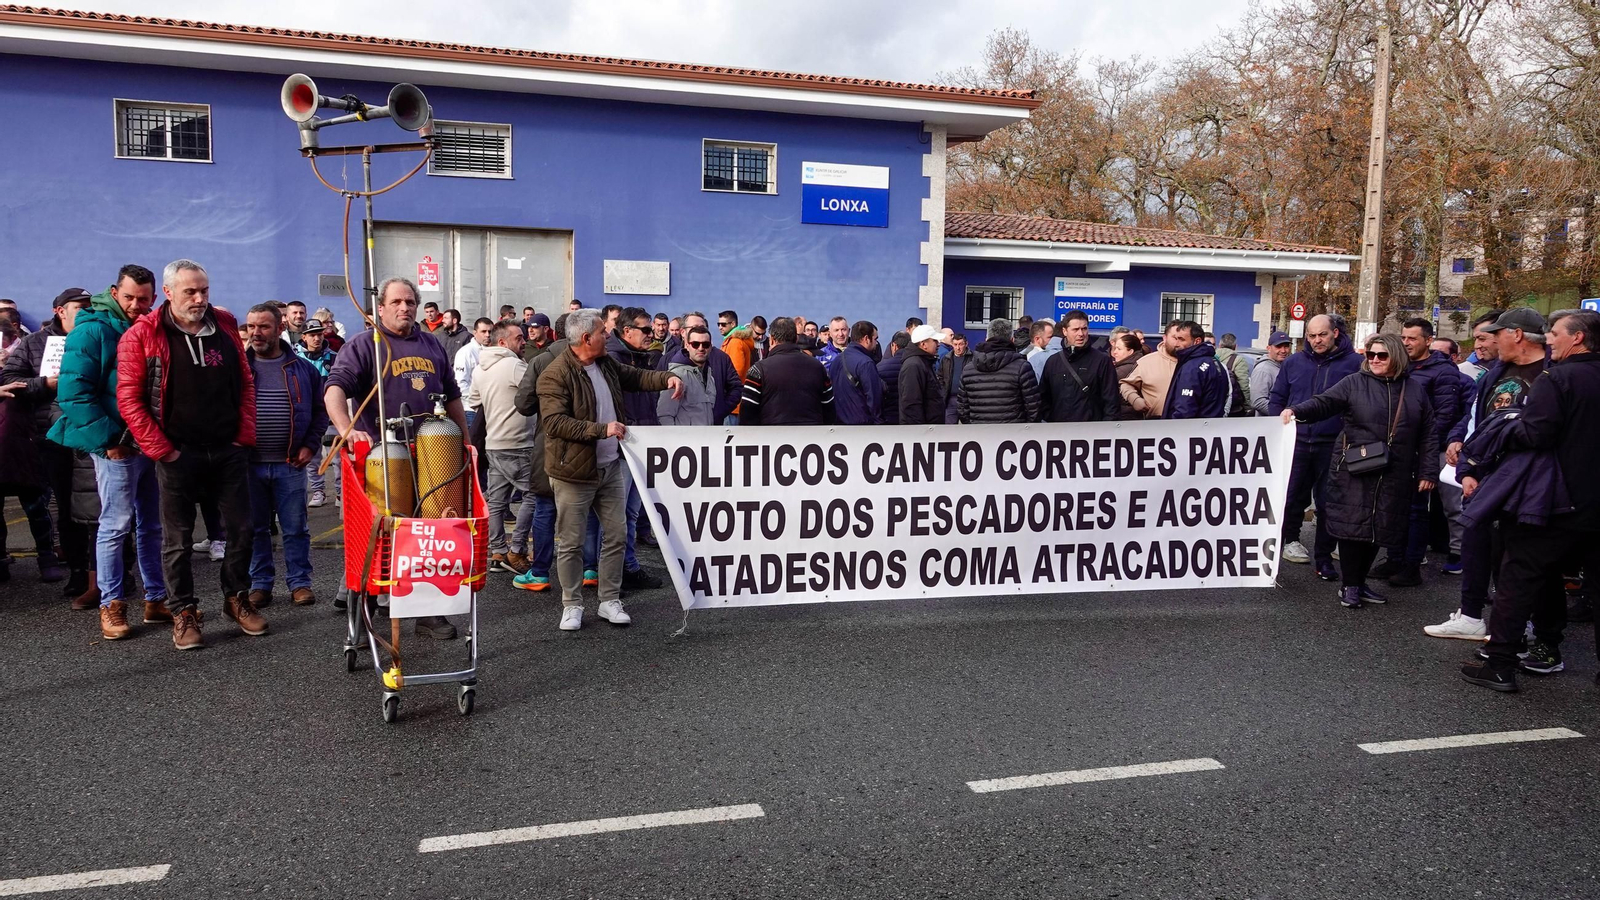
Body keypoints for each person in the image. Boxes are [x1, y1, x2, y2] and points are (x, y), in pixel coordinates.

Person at [117, 259, 263, 650]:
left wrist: (242, 436)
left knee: (241, 530)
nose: (200, 299)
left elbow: (246, 383)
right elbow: (130, 402)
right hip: (177, 454)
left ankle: (236, 599)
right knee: (178, 540)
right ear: (168, 293)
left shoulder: (226, 324)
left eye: (204, 291)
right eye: (190, 292)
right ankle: (184, 611)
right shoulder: (142, 335)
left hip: (228, 448)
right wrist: (164, 450)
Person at [1460, 309, 1600, 692]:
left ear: (1578, 339)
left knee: (1517, 577)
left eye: (1555, 333)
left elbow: (1536, 434)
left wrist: (1507, 427)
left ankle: (1501, 664)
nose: (1549, 338)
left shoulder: (1558, 378)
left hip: (1555, 499)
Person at [325, 276, 467, 640]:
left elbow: (451, 396)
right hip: (383, 459)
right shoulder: (365, 345)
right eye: (397, 302)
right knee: (381, 535)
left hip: (435, 455)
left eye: (410, 302)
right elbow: (335, 389)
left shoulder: (432, 344)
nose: (405, 308)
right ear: (381, 307)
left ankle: (429, 611)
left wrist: (465, 442)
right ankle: (365, 612)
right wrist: (345, 429)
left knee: (430, 535)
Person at [538, 308, 681, 630]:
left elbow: (637, 377)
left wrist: (667, 378)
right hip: (573, 473)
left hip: (611, 467)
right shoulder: (555, 374)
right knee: (572, 542)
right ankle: (572, 604)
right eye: (604, 331)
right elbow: (554, 422)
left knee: (616, 536)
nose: (608, 334)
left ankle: (609, 600)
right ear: (586, 338)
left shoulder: (606, 364)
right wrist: (600, 430)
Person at [49, 266, 169, 633]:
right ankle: (111, 604)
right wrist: (109, 442)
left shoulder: (150, 327)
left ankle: (155, 600)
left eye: (145, 299)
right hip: (117, 445)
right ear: (115, 292)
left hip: (149, 441)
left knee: (152, 525)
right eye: (130, 297)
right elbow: (74, 392)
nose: (136, 305)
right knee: (115, 525)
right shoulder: (91, 330)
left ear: (155, 298)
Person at [1281, 332, 1438, 609]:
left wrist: (1428, 472)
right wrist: (1295, 411)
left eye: (1382, 355)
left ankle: (1360, 582)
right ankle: (1350, 585)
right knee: (1353, 528)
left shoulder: (1414, 390)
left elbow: (1428, 434)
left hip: (1395, 471)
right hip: (1356, 467)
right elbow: (1324, 403)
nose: (1375, 360)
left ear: (1396, 357)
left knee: (1380, 529)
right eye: (1371, 354)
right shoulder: (1354, 383)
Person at [1426, 308, 1545, 639]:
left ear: (1515, 334)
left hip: (1526, 479)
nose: (1481, 343)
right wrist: (1462, 455)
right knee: (1476, 543)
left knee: (1515, 554)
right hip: (1482, 475)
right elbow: (1476, 419)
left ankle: (1521, 623)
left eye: (1488, 336)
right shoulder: (1494, 374)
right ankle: (1471, 614)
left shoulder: (1551, 374)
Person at [2, 288, 95, 589]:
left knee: (100, 507)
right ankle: (78, 572)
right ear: (60, 311)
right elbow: (8, 381)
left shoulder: (99, 336)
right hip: (50, 438)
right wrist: (45, 383)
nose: (86, 311)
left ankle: (115, 573)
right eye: (79, 307)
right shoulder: (33, 343)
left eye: (90, 306)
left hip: (94, 434)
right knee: (65, 506)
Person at [1365, 318, 1464, 587]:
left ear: (1428, 341)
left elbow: (1443, 416)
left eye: (1413, 338)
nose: (1406, 342)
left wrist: (1423, 450)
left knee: (1417, 510)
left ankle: (1411, 565)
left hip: (1421, 450)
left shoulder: (1443, 372)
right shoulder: (1401, 366)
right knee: (1394, 508)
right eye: (1404, 337)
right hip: (1394, 451)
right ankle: (1394, 558)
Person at [243, 303, 327, 608]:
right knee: (256, 528)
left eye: (263, 327)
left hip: (290, 463)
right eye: (251, 326)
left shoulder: (302, 369)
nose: (255, 333)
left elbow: (320, 411)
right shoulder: (239, 367)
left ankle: (299, 583)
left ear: (280, 328)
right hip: (249, 465)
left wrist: (310, 445)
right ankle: (260, 583)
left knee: (295, 528)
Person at [1268, 313, 1360, 579]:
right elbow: (1278, 398)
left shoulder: (1355, 363)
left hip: (1333, 444)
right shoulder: (1294, 362)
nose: (1317, 340)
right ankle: (1289, 541)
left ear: (1335, 334)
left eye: (1322, 335)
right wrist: (1279, 428)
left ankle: (1324, 556)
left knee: (1327, 502)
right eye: (1312, 335)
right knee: (1290, 495)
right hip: (1295, 441)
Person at [466, 321, 537, 576]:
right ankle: (516, 549)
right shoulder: (514, 365)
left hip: (493, 443)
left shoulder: (481, 368)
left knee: (496, 501)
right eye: (519, 338)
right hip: (518, 443)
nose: (524, 342)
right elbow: (537, 392)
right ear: (503, 343)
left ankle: (497, 551)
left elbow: (474, 401)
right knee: (535, 495)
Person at [607, 307, 665, 589]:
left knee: (629, 512)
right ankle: (619, 572)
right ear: (627, 331)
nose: (650, 335)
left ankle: (626, 568)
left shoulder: (640, 356)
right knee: (620, 515)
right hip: (623, 445)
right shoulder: (614, 359)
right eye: (645, 329)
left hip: (639, 439)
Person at [739, 317, 836, 425]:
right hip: (811, 436)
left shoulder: (758, 370)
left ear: (771, 339)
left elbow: (747, 413)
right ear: (796, 339)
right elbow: (829, 408)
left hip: (771, 436)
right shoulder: (818, 368)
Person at [1040, 309, 1119, 422]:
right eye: (1076, 329)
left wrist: (1105, 430)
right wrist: (1053, 419)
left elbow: (1112, 402)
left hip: (1093, 432)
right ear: (1065, 331)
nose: (1081, 334)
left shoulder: (1102, 361)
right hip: (1060, 431)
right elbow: (1044, 398)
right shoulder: (1053, 362)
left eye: (1084, 329)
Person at [959, 318, 1040, 424]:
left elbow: (963, 410)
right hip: (1015, 435)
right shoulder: (1022, 367)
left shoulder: (968, 369)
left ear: (986, 338)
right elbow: (1034, 408)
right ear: (1012, 340)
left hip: (979, 434)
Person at [294, 319, 339, 507]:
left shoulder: (334, 357)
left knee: (337, 458)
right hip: (308, 416)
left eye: (319, 334)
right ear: (304, 336)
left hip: (332, 416)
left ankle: (340, 493)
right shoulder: (295, 358)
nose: (317, 338)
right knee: (312, 457)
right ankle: (319, 491)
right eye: (312, 334)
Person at [1165, 321, 1231, 419]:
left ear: (1197, 341)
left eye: (1181, 339)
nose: (1176, 344)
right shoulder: (1216, 363)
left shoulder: (1191, 367)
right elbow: (1227, 398)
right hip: (1214, 428)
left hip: (1191, 430)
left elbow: (1185, 409)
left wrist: (1174, 429)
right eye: (1176, 339)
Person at [1119, 322, 1184, 418]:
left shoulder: (1194, 363)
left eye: (1182, 339)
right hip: (1155, 423)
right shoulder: (1146, 362)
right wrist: (1135, 399)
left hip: (1188, 424)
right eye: (1175, 338)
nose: (1178, 343)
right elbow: (1125, 384)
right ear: (1165, 338)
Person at [658, 324, 719, 426]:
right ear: (687, 345)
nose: (701, 348)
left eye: (705, 344)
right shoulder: (677, 376)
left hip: (706, 439)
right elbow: (664, 415)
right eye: (695, 344)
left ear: (710, 347)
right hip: (682, 440)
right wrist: (674, 440)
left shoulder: (709, 377)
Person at [897, 324, 947, 425]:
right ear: (923, 344)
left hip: (929, 431)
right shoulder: (914, 366)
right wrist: (919, 435)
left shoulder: (923, 362)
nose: (938, 344)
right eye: (935, 341)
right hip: (922, 434)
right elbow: (911, 404)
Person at [1250, 331, 1292, 416]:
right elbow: (1257, 401)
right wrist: (1280, 414)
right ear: (1268, 348)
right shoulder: (1262, 370)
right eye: (1278, 347)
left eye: (1286, 346)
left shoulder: (1285, 366)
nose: (1283, 350)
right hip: (1269, 425)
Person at [453, 317, 494, 398]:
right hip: (471, 406)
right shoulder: (465, 352)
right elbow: (460, 383)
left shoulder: (494, 351)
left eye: (490, 331)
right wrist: (476, 400)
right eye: (483, 331)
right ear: (475, 333)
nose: (488, 335)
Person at [1108, 332, 1145, 420]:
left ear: (1130, 351)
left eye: (1119, 349)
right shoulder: (1141, 363)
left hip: (1124, 416)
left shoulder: (1122, 371)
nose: (1115, 352)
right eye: (1115, 348)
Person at [876, 331, 910, 424]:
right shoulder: (917, 365)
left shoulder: (880, 367)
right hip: (910, 420)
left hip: (888, 418)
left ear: (894, 346)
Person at [1214, 332, 1252, 414]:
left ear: (1219, 345)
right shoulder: (1239, 360)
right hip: (1232, 407)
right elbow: (1243, 385)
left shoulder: (1211, 357)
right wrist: (1247, 406)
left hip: (1213, 404)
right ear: (1235, 347)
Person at [939, 332, 969, 424]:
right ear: (952, 344)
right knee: (949, 429)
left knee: (970, 428)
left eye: (960, 344)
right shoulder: (946, 359)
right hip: (950, 399)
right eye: (955, 344)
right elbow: (940, 376)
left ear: (966, 344)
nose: (958, 348)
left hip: (967, 399)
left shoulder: (972, 358)